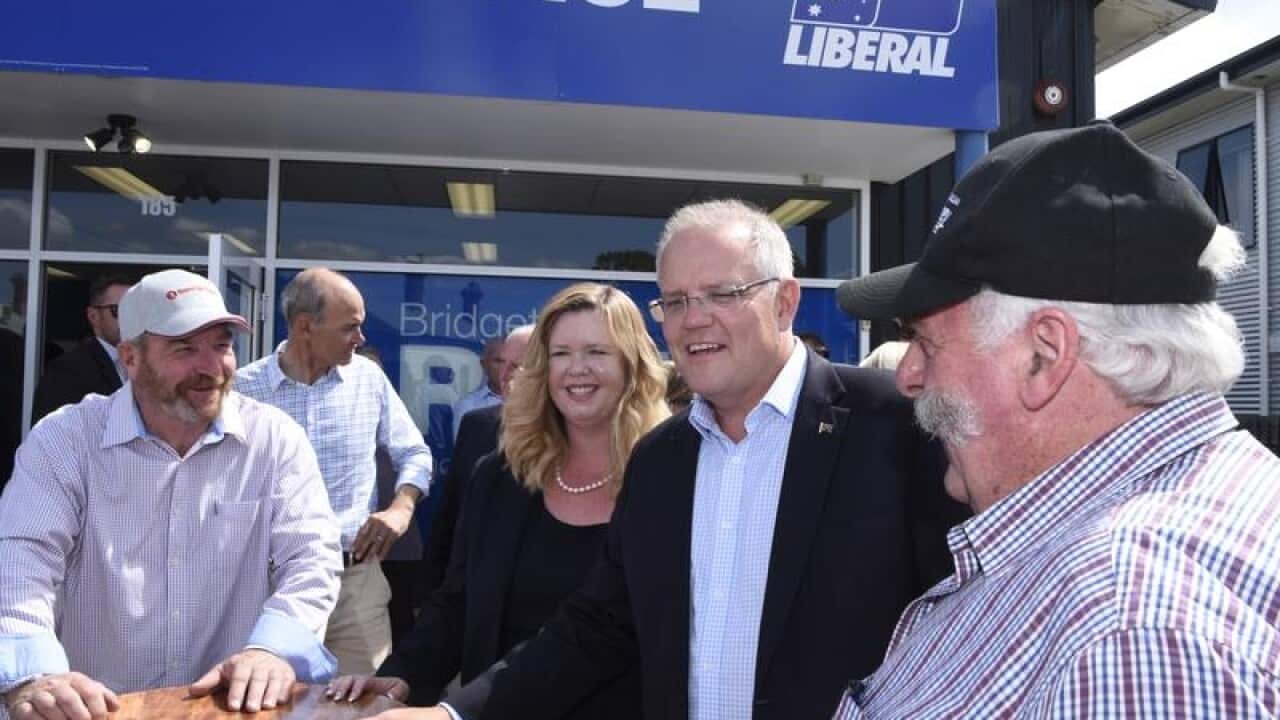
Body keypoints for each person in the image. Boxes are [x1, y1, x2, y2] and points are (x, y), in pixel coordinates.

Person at [412, 199, 962, 720]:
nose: (693, 319)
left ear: (785, 302)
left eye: (722, 294)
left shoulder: (895, 424)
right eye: (674, 301)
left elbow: (963, 619)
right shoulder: (660, 459)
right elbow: (599, 625)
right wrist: (454, 712)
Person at [829, 121, 1280, 718]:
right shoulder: (1195, 509)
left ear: (1043, 356)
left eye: (927, 343)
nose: (908, 375)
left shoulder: (1126, 633)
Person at [0, 269, 341, 719]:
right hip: (96, 711)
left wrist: (273, 650)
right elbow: (21, 560)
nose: (210, 367)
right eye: (184, 349)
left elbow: (311, 560)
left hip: (226, 712)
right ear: (130, 357)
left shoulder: (273, 440)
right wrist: (34, 676)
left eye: (221, 346)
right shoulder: (67, 440)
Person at [333, 283, 669, 720]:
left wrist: (453, 713)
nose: (577, 369)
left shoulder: (666, 478)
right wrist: (405, 675)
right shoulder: (500, 475)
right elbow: (457, 601)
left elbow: (606, 630)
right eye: (561, 354)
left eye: (597, 352)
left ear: (632, 364)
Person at [235, 268, 433, 676]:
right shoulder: (241, 391)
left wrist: (401, 508)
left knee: (362, 703)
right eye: (350, 328)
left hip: (354, 583)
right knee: (266, 705)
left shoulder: (368, 380)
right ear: (306, 326)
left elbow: (414, 452)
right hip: (264, 589)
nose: (360, 340)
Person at [421, 325, 534, 594]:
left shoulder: (580, 434)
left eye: (518, 366)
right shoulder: (478, 425)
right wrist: (429, 592)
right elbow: (453, 511)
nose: (505, 375)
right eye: (501, 363)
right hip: (480, 590)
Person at [31, 274, 133, 422]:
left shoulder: (148, 363)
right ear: (93, 316)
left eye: (134, 311)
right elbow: (50, 437)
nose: (129, 318)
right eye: (118, 310)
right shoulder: (67, 369)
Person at [451, 338, 505, 440]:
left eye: (514, 363)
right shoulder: (468, 407)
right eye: (498, 361)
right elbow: (467, 451)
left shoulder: (536, 404)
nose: (505, 368)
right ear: (484, 365)